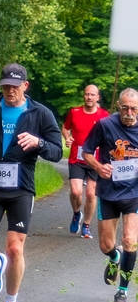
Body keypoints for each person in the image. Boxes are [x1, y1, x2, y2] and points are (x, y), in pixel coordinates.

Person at [0, 64, 63, 302]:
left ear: (25, 86)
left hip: (21, 189)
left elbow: (57, 151)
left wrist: (38, 142)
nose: (10, 90)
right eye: (5, 86)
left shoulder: (40, 114)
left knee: (14, 248)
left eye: (15, 86)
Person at [82, 88, 138, 302]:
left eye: (134, 109)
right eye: (125, 108)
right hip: (108, 193)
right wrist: (98, 166)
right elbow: (86, 151)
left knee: (130, 240)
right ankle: (114, 257)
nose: (129, 113)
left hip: (134, 193)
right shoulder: (105, 125)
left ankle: (122, 291)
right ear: (118, 107)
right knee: (106, 245)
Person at [62, 84, 107, 239]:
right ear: (84, 96)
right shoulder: (74, 112)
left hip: (95, 160)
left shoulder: (104, 115)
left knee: (91, 194)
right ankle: (76, 214)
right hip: (77, 158)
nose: (89, 97)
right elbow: (65, 128)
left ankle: (86, 225)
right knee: (76, 191)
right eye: (87, 94)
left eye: (92, 95)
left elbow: (109, 134)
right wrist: (67, 138)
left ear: (98, 97)